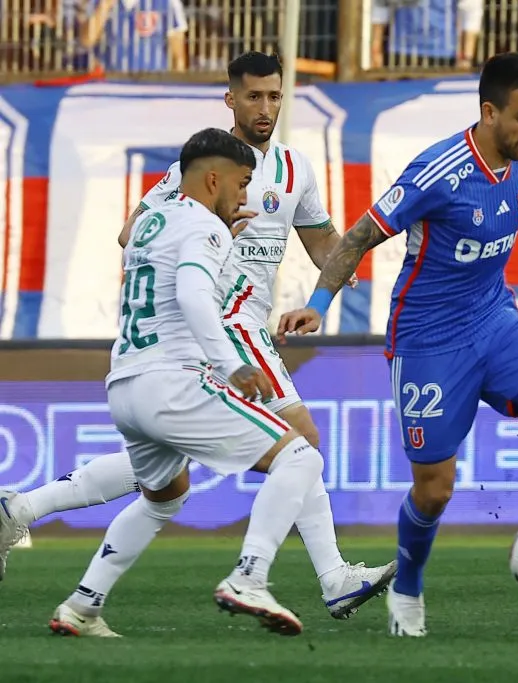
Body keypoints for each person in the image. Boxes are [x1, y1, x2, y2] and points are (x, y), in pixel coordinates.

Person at [0, 51, 394, 621]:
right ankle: (324, 576)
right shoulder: (204, 165)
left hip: (228, 329)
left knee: (164, 481)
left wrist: (334, 276)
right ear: (230, 99)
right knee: (300, 441)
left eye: (275, 97)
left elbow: (322, 241)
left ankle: (24, 510)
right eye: (254, 96)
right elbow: (131, 232)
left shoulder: (295, 169)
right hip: (224, 322)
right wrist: (207, 221)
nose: (265, 108)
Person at [276, 52, 518, 637]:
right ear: (489, 111)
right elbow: (358, 236)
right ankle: (407, 585)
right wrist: (319, 306)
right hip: (428, 341)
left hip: (495, 320)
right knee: (434, 489)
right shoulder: (438, 172)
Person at [47, 128, 324, 637]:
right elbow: (195, 297)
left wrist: (222, 241)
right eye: (241, 184)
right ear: (213, 178)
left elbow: (178, 281)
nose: (245, 198)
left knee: (165, 496)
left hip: (126, 382)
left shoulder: (152, 220)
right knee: (301, 454)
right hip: (173, 381)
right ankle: (249, 577)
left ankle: (82, 606)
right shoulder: (205, 227)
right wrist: (231, 364)